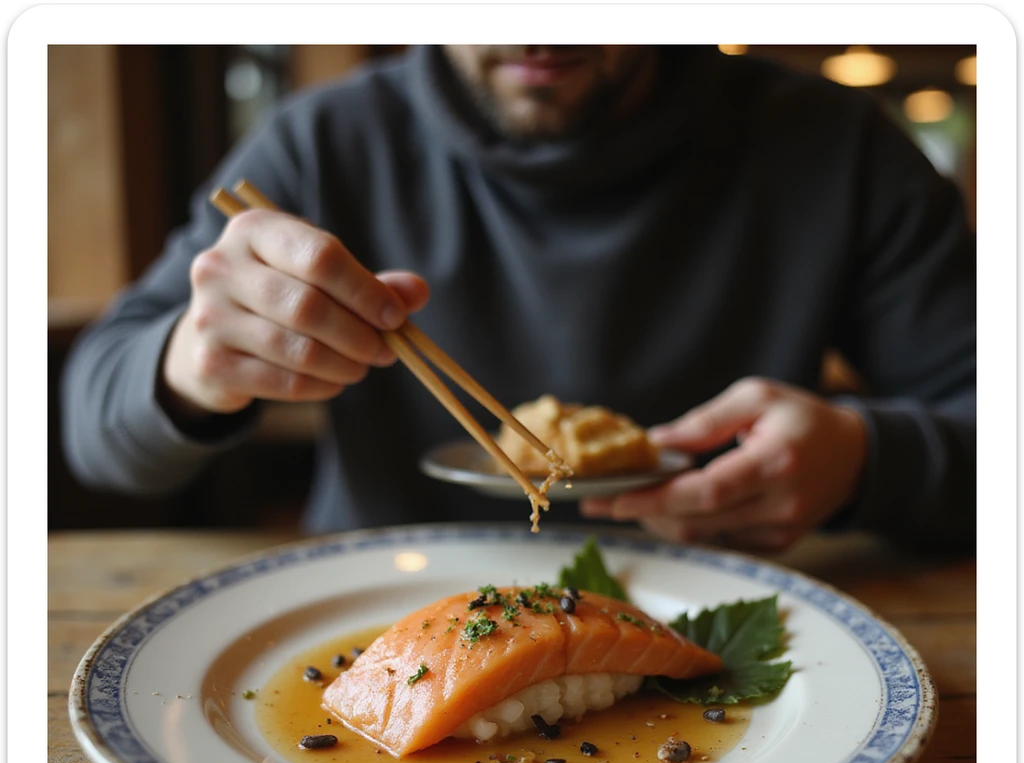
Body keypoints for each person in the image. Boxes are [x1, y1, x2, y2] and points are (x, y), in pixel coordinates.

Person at [61, 44, 976, 552]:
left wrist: (863, 460)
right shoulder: (322, 140)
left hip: (719, 610)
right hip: (370, 616)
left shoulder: (836, 148)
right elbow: (92, 426)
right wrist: (190, 362)